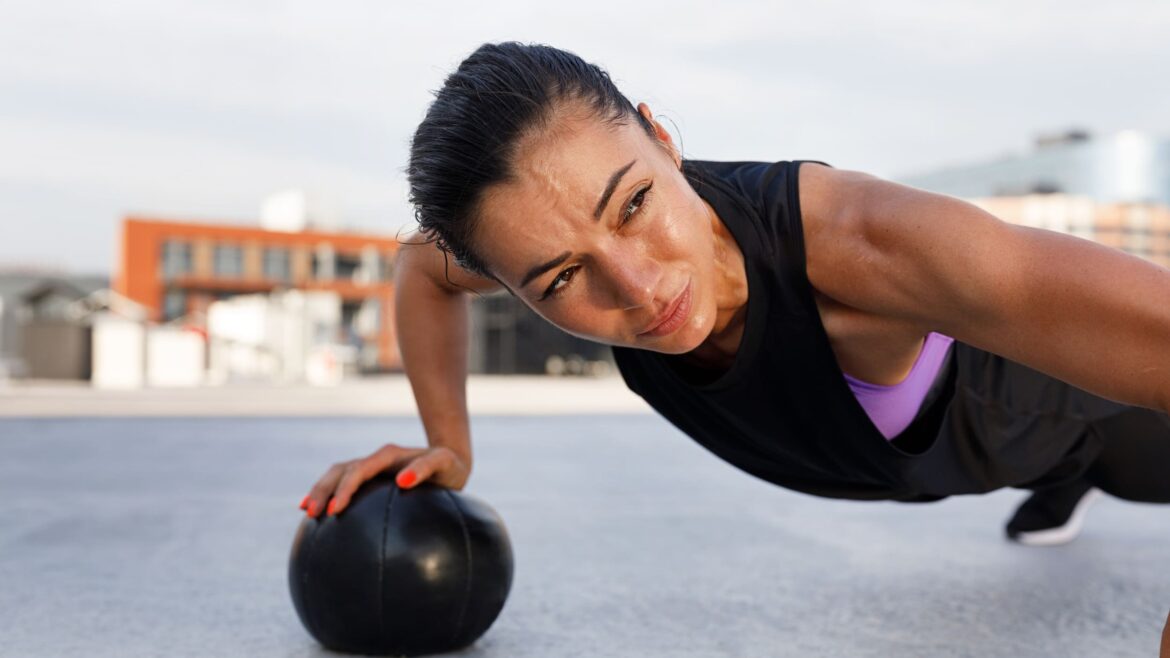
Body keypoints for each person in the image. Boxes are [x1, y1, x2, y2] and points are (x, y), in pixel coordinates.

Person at [299, 41, 1170, 548]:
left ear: (663, 137)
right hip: (906, 461)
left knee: (1135, 456)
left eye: (634, 204)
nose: (640, 287)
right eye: (562, 278)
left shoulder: (862, 244)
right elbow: (421, 267)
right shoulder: (520, 240)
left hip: (1043, 403)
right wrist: (448, 446)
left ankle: (1084, 466)